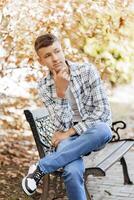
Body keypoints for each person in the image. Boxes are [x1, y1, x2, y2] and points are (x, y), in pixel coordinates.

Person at [22, 33, 112, 200]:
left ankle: (41, 167)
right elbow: (60, 125)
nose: (55, 58)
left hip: (92, 133)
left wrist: (70, 132)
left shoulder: (87, 71)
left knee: (105, 130)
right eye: (48, 55)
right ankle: (41, 169)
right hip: (67, 140)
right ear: (41, 61)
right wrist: (61, 93)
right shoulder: (44, 87)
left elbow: (102, 112)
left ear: (63, 50)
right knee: (71, 171)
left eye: (57, 51)